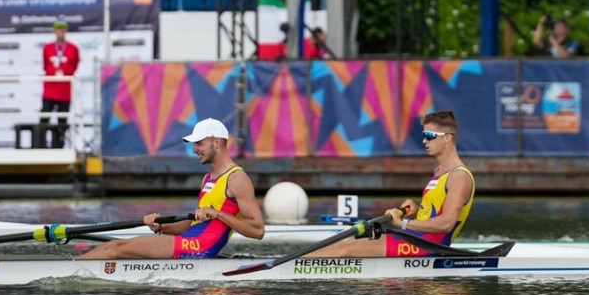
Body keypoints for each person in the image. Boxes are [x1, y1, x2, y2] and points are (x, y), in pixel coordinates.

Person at [78, 118, 265, 260]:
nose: (194, 149)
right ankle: (73, 266)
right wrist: (162, 226)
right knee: (115, 248)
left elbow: (257, 230)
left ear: (216, 142)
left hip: (198, 247)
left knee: (116, 248)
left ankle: (64, 271)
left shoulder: (237, 178)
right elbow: (195, 224)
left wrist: (218, 214)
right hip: (190, 241)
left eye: (199, 143)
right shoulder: (208, 178)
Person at [306, 110, 475, 258]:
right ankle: (295, 261)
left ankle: (290, 266)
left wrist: (402, 223)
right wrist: (416, 212)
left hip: (426, 246)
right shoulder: (440, 171)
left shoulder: (459, 176)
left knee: (349, 248)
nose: (424, 141)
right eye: (423, 136)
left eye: (430, 136)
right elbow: (434, 213)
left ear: (447, 138)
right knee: (351, 242)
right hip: (416, 237)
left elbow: (446, 224)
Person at [40, 20, 80, 147]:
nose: (60, 31)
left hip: (65, 91)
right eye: (58, 29)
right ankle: (40, 145)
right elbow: (45, 66)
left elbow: (74, 66)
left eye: (63, 29)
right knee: (44, 117)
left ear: (66, 31)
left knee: (62, 121)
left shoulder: (73, 48)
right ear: (54, 31)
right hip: (50, 89)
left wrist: (65, 73)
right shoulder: (47, 48)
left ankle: (59, 147)